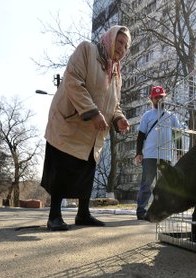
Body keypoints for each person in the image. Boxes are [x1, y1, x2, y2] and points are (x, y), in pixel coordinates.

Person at [41, 25, 132, 231]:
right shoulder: (87, 50)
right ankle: (54, 215)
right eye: (119, 42)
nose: (122, 48)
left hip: (92, 132)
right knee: (62, 167)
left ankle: (83, 214)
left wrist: (119, 118)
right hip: (69, 122)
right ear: (109, 39)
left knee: (86, 170)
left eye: (126, 46)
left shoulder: (116, 73)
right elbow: (73, 81)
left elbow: (113, 103)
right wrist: (91, 112)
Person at [135, 86, 182, 220]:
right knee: (146, 184)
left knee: (166, 185)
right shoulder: (147, 115)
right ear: (152, 99)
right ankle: (141, 211)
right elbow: (141, 135)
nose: (159, 99)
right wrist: (139, 153)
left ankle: (164, 210)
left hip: (165, 156)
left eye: (161, 97)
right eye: (157, 97)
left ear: (165, 97)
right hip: (149, 155)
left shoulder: (171, 116)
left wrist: (179, 152)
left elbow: (177, 135)